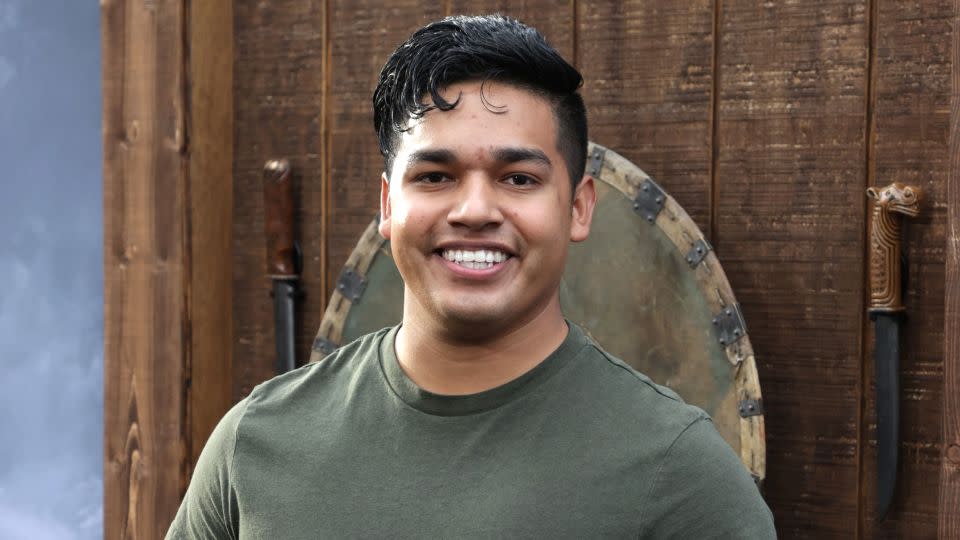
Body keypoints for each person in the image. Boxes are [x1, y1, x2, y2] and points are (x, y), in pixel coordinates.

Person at [166, 14, 776, 539]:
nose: (476, 210)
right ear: (387, 206)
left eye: (519, 178)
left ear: (579, 207)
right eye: (435, 176)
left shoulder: (680, 476)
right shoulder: (255, 444)